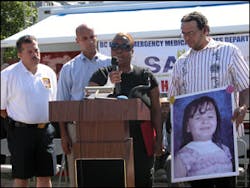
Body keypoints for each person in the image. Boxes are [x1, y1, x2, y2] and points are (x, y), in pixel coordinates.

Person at [169, 11, 249, 187]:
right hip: (193, 144)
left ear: (205, 30)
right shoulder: (181, 63)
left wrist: (243, 107)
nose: (187, 38)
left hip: (226, 136)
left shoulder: (229, 51)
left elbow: (245, 86)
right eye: (184, 33)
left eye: (191, 33)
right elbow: (173, 100)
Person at [89, 32, 163, 187]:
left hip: (141, 141)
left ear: (132, 51)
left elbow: (156, 109)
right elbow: (88, 101)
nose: (119, 50)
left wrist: (159, 139)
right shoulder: (102, 75)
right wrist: (109, 84)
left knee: (142, 180)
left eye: (124, 46)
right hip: (110, 140)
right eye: (114, 46)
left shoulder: (145, 76)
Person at [56, 23, 111, 187]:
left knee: (105, 174)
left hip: (107, 127)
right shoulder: (69, 68)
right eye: (85, 38)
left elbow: (116, 95)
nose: (90, 41)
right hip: (76, 128)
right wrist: (64, 135)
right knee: (79, 176)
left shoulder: (109, 64)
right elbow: (61, 105)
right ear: (77, 41)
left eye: (92, 37)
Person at [0, 35, 57, 187]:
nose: (35, 54)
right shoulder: (7, 75)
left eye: (36, 50)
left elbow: (54, 102)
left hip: (45, 131)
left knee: (45, 177)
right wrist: (19, 121)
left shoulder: (48, 73)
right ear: (20, 54)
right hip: (20, 133)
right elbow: (1, 108)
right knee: (21, 178)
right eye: (29, 51)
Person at [174, 96, 233, 178]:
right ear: (187, 126)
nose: (205, 121)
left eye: (210, 117)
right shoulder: (184, 156)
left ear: (217, 121)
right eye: (198, 118)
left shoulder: (224, 150)